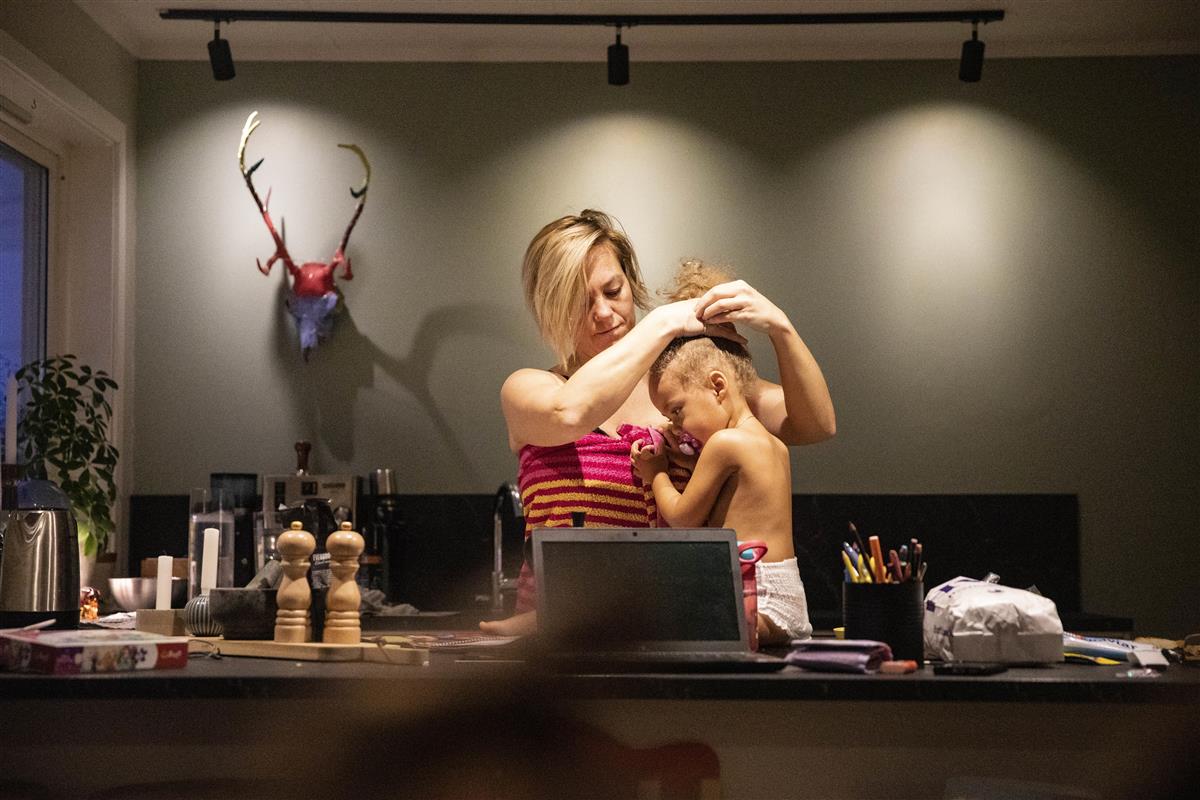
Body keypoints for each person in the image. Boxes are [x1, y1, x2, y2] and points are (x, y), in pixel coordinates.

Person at [480, 210, 835, 636]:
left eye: (614, 291)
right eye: (580, 302)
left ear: (631, 282)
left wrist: (782, 329)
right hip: (555, 641)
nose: (604, 313)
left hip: (674, 631)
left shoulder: (684, 389)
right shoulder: (529, 388)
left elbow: (814, 424)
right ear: (551, 310)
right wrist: (664, 322)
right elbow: (570, 414)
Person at [631, 265, 812, 643]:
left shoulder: (723, 444)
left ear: (717, 386)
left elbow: (682, 517)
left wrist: (657, 472)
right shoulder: (773, 445)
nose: (675, 426)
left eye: (676, 411)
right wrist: (685, 461)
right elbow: (733, 492)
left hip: (755, 595)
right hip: (789, 597)